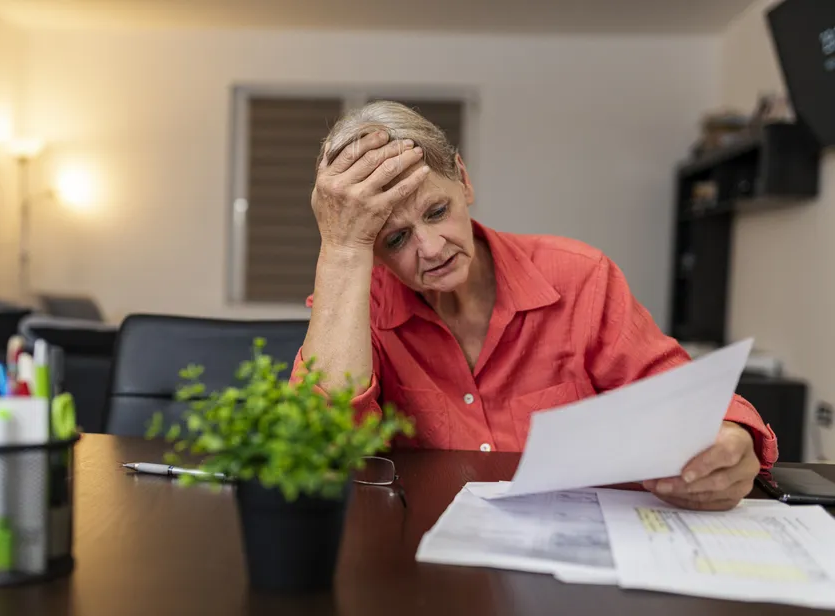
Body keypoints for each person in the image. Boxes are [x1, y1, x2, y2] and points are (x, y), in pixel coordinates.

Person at [293, 100, 778, 511]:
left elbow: (680, 397)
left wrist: (731, 438)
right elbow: (317, 449)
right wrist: (342, 250)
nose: (432, 247)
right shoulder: (362, 303)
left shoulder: (579, 276)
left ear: (462, 180)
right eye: (395, 238)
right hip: (422, 563)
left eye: (437, 212)